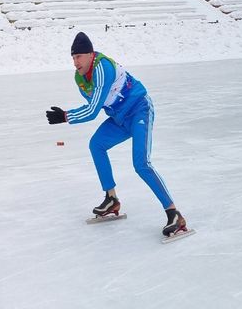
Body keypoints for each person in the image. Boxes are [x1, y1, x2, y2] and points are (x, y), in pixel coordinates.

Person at [45, 31, 188, 239]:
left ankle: (174, 213)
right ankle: (111, 198)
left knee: (141, 164)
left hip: (139, 110)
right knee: (96, 145)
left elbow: (93, 111)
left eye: (79, 57)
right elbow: (94, 103)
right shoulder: (80, 78)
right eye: (73, 58)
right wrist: (69, 116)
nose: (76, 62)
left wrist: (66, 116)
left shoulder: (102, 68)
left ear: (90, 54)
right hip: (119, 118)